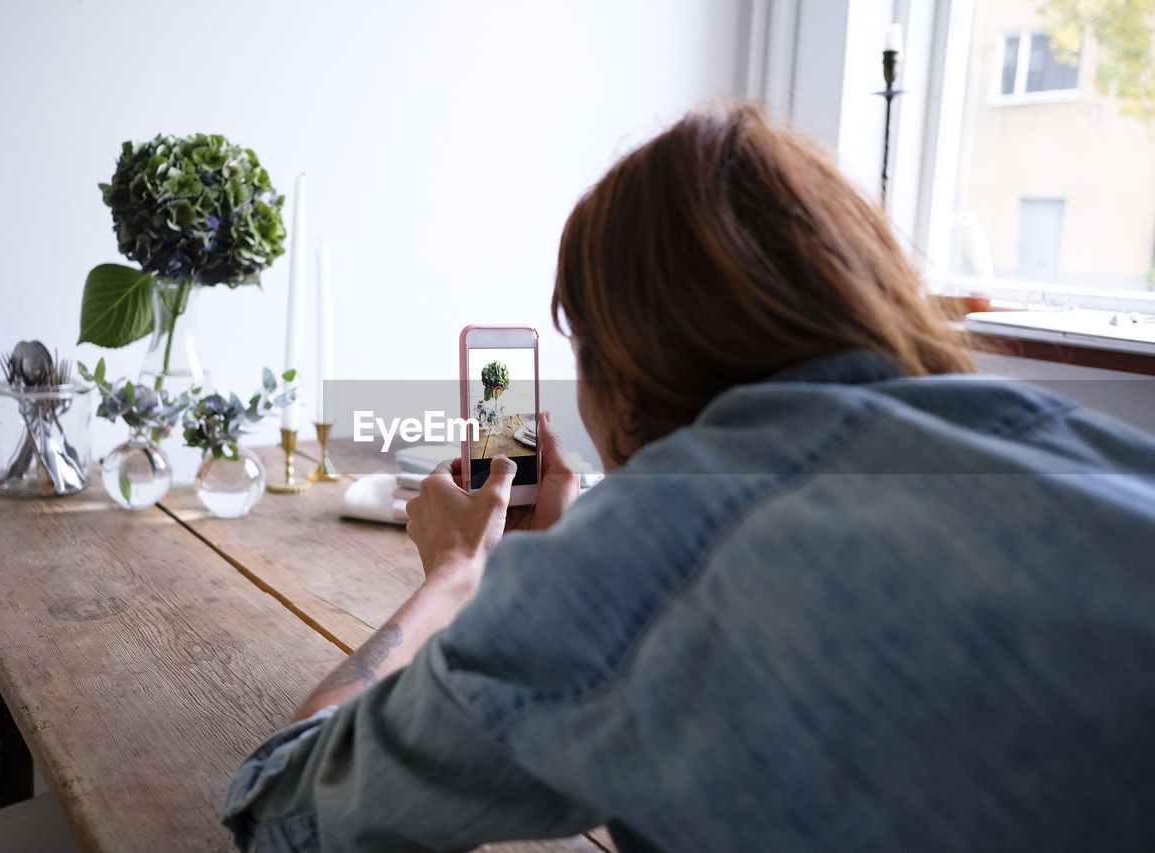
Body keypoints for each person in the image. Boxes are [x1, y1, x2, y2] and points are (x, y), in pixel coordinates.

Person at [222, 102, 1155, 851]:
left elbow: (284, 808)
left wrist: (459, 576)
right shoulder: (1071, 439)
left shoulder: (657, 557)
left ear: (619, 380)